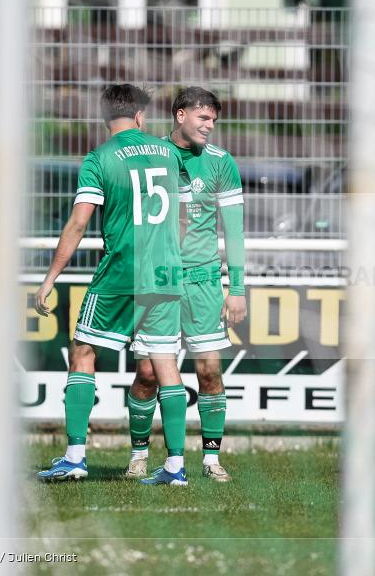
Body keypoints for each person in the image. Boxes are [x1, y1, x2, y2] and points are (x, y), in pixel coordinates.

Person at [34, 84, 191, 485]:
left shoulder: (100, 158)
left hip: (121, 271)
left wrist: (50, 278)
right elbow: (184, 218)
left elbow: (78, 222)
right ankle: (175, 466)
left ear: (105, 118)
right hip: (166, 273)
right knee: (165, 364)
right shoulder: (169, 153)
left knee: (83, 351)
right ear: (140, 116)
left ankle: (75, 457)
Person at [124, 87, 247, 484]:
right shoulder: (150, 157)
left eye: (214, 120)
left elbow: (234, 231)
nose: (210, 126)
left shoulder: (220, 163)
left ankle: (211, 459)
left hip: (204, 282)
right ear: (180, 115)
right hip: (157, 282)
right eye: (203, 118)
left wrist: (237, 288)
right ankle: (139, 454)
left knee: (209, 371)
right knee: (148, 373)